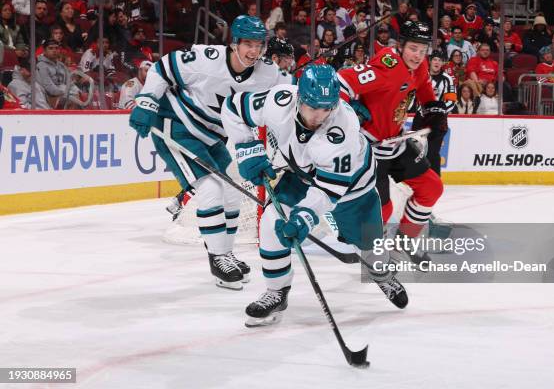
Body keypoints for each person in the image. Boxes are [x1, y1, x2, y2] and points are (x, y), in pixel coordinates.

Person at [220, 64, 408, 327]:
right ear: (299, 98)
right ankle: (277, 291)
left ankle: (381, 273)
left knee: (369, 246)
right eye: (312, 106)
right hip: (300, 173)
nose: (319, 115)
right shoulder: (279, 100)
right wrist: (246, 147)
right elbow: (233, 107)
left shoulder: (343, 129)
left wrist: (304, 218)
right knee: (271, 221)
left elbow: (328, 191)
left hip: (353, 188)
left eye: (326, 108)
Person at [128, 16, 288, 290]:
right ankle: (217, 258)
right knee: (211, 188)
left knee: (233, 190)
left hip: (212, 136)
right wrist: (147, 100)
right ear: (234, 43)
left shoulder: (269, 73)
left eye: (258, 45)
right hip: (176, 124)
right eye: (247, 44)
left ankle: (225, 254)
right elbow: (162, 68)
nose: (253, 51)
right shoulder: (206, 59)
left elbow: (287, 97)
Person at [337, 21, 446, 265]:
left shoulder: (419, 66)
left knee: (431, 187)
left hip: (395, 141)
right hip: (370, 149)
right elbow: (339, 82)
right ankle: (364, 245)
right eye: (413, 49)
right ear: (401, 46)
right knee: (381, 210)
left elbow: (424, 88)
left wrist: (433, 110)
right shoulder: (386, 67)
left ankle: (404, 243)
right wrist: (349, 109)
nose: (418, 56)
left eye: (423, 50)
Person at [410, 50, 456, 176]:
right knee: (414, 150)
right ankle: (415, 179)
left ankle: (434, 180)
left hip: (438, 120)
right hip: (421, 117)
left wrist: (438, 110)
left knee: (432, 151)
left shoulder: (447, 79)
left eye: (440, 60)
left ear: (443, 63)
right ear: (430, 61)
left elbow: (451, 101)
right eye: (435, 59)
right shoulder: (421, 75)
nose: (437, 62)